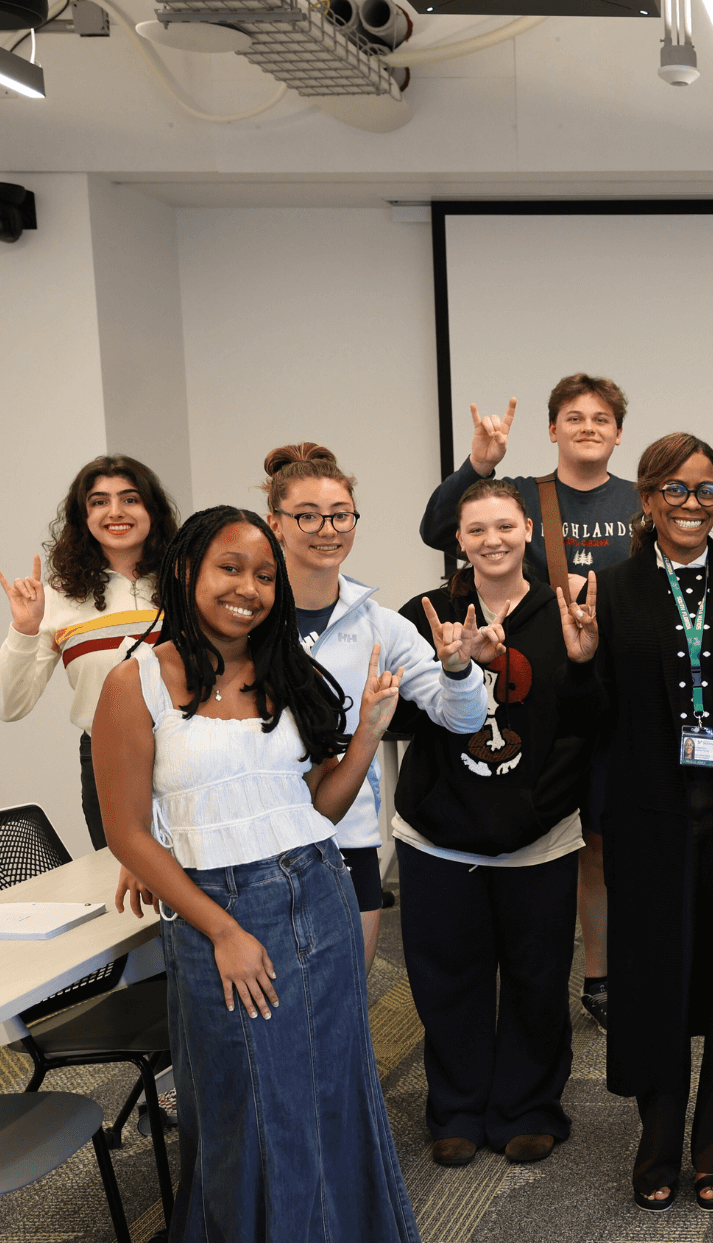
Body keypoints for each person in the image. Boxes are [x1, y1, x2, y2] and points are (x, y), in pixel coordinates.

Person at [92, 506, 421, 1243]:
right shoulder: (137, 682)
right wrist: (223, 931)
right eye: (230, 569)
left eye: (265, 575)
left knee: (333, 1095)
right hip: (223, 916)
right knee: (248, 1117)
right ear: (186, 572)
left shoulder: (284, 671)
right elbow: (128, 833)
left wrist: (369, 734)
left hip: (317, 891)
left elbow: (315, 808)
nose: (249, 589)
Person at [557, 432, 713, 1212]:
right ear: (648, 498)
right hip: (650, 824)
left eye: (706, 490)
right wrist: (581, 659)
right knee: (654, 985)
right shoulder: (612, 592)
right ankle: (658, 1142)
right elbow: (590, 722)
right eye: (676, 489)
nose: (692, 504)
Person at [391, 478, 599, 1169]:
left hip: (538, 834)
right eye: (476, 529)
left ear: (529, 530)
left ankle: (528, 1108)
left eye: (505, 526)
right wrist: (451, 667)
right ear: (458, 539)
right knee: (448, 979)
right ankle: (456, 1109)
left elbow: (588, 718)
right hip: (439, 835)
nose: (493, 540)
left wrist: (574, 664)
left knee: (538, 980)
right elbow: (394, 718)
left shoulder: (564, 610)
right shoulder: (425, 614)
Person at [421, 373, 637, 1030]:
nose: (588, 427)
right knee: (566, 834)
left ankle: (614, 969)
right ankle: (589, 979)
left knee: (613, 837)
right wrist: (478, 464)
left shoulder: (638, 499)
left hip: (619, 686)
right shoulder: (519, 493)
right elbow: (438, 528)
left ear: (619, 433)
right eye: (574, 417)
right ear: (551, 429)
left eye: (601, 418)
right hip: (537, 688)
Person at [261, 442, 491, 969]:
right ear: (275, 524)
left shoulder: (381, 625)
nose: (328, 529)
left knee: (348, 994)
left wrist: (458, 670)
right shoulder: (249, 619)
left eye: (341, 515)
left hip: (348, 835)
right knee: (268, 996)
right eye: (308, 516)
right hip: (260, 831)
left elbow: (464, 718)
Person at [0, 454, 179, 849]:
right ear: (84, 517)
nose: (115, 511)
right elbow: (10, 707)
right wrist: (25, 629)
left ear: (152, 510)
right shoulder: (58, 598)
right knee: (126, 881)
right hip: (107, 760)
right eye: (99, 501)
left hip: (191, 751)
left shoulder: (188, 581)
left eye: (130, 499)